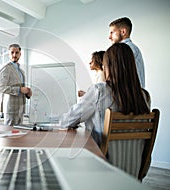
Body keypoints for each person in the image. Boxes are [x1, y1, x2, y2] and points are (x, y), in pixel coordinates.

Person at [60, 43, 150, 177]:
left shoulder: (100, 90)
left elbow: (66, 121)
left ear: (107, 66)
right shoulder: (144, 96)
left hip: (102, 170)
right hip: (135, 172)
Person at [0, 44, 32, 126]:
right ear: (8, 54)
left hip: (20, 109)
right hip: (10, 109)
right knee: (9, 136)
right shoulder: (6, 68)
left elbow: (22, 89)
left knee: (19, 135)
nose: (14, 55)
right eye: (12, 52)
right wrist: (19, 90)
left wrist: (27, 93)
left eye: (17, 53)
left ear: (20, 54)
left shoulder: (21, 71)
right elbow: (1, 88)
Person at [109, 17, 145, 88]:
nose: (109, 37)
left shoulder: (126, 49)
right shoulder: (132, 48)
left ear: (123, 32)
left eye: (112, 32)